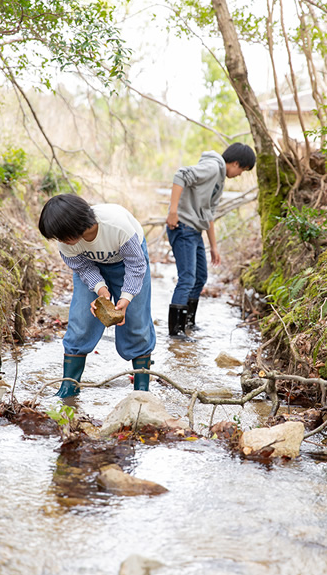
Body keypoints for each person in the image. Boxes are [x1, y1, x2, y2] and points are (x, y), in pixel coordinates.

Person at [38, 193, 156, 398]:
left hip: (128, 262)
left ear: (75, 225)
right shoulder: (66, 242)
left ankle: (142, 389)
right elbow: (83, 268)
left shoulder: (117, 227)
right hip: (91, 265)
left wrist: (126, 298)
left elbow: (136, 266)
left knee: (136, 322)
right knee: (81, 321)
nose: (61, 241)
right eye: (57, 237)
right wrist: (101, 290)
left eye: (62, 235)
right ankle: (69, 387)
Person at [166, 142, 256, 339]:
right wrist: (173, 212)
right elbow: (181, 175)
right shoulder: (213, 167)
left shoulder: (219, 179)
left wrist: (214, 246)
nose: (240, 175)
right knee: (187, 278)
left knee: (200, 277)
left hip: (194, 230)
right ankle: (176, 331)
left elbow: (208, 214)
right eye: (242, 170)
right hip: (182, 226)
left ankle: (188, 323)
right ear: (235, 163)